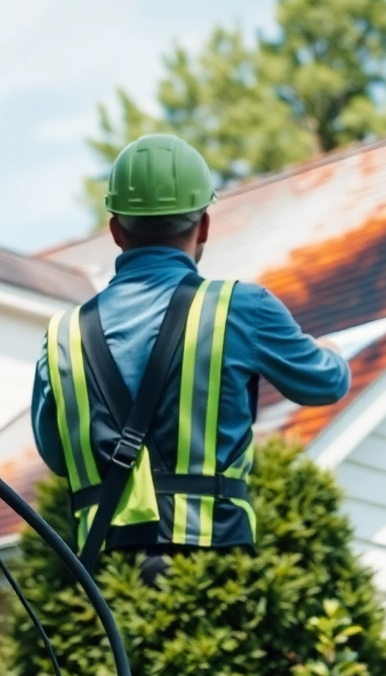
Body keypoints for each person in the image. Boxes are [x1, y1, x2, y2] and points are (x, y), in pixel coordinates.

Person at [31, 133, 351, 583]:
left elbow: (57, 454)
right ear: (203, 226)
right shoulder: (239, 308)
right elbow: (325, 384)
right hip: (214, 565)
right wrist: (330, 352)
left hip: (104, 579)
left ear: (116, 230)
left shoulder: (61, 337)